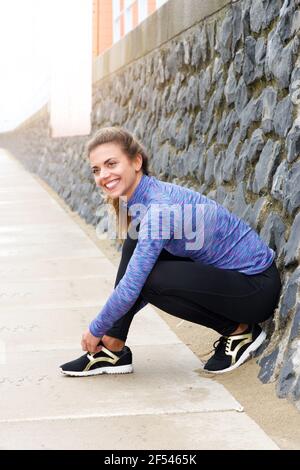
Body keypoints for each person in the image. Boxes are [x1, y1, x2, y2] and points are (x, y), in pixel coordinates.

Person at [60, 126, 282, 377]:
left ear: (136, 161)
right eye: (97, 169)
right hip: (230, 280)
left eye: (111, 164)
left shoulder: (158, 209)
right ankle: (113, 347)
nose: (103, 175)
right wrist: (110, 327)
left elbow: (133, 285)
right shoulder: (145, 200)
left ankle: (239, 331)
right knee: (137, 250)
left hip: (255, 288)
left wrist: (96, 329)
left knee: (150, 279)